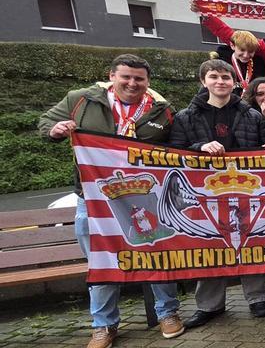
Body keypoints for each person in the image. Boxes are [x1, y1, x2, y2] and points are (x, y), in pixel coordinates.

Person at [38, 54, 182, 346]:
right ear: (112, 76)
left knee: (157, 252)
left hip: (144, 196)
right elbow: (46, 122)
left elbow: (177, 149)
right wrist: (54, 131)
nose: (132, 83)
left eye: (139, 79)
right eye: (126, 77)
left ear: (147, 82)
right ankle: (104, 325)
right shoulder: (81, 100)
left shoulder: (162, 111)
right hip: (92, 198)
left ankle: (168, 313)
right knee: (102, 261)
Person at [170, 60, 265, 327]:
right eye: (214, 77)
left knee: (251, 241)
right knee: (208, 244)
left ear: (234, 82)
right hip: (203, 193)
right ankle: (209, 305)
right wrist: (200, 146)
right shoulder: (186, 117)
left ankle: (257, 298)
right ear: (203, 81)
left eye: (226, 77)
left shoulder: (251, 115)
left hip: (246, 189)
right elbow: (173, 152)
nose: (221, 81)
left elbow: (263, 142)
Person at [211, 29, 265, 98]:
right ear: (232, 46)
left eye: (250, 51)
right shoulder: (220, 63)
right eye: (242, 50)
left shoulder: (259, 64)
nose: (246, 55)